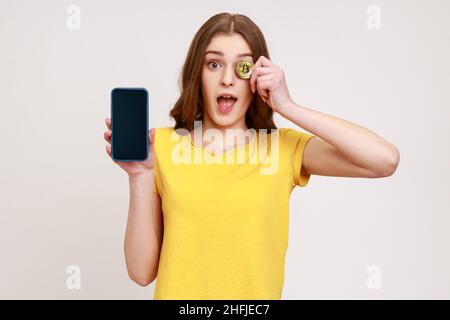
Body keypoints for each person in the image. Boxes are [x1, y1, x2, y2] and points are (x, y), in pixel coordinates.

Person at [103, 12, 400, 300]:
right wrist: (140, 175)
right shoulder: (161, 148)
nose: (228, 80)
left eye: (243, 68)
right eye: (214, 64)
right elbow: (140, 273)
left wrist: (288, 106)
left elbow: (384, 160)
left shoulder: (282, 148)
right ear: (198, 72)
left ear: (257, 79)